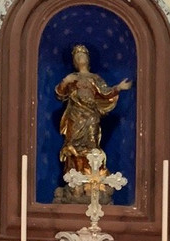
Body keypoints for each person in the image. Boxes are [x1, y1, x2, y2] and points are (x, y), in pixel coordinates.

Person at [55, 44, 132, 177]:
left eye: (82, 55)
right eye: (77, 56)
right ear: (74, 62)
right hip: (75, 115)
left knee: (91, 144)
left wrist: (118, 88)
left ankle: (92, 173)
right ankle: (74, 176)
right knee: (74, 145)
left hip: (91, 114)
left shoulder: (95, 78)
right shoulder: (71, 77)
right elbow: (60, 94)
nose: (80, 57)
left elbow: (105, 92)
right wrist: (65, 81)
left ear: (88, 59)